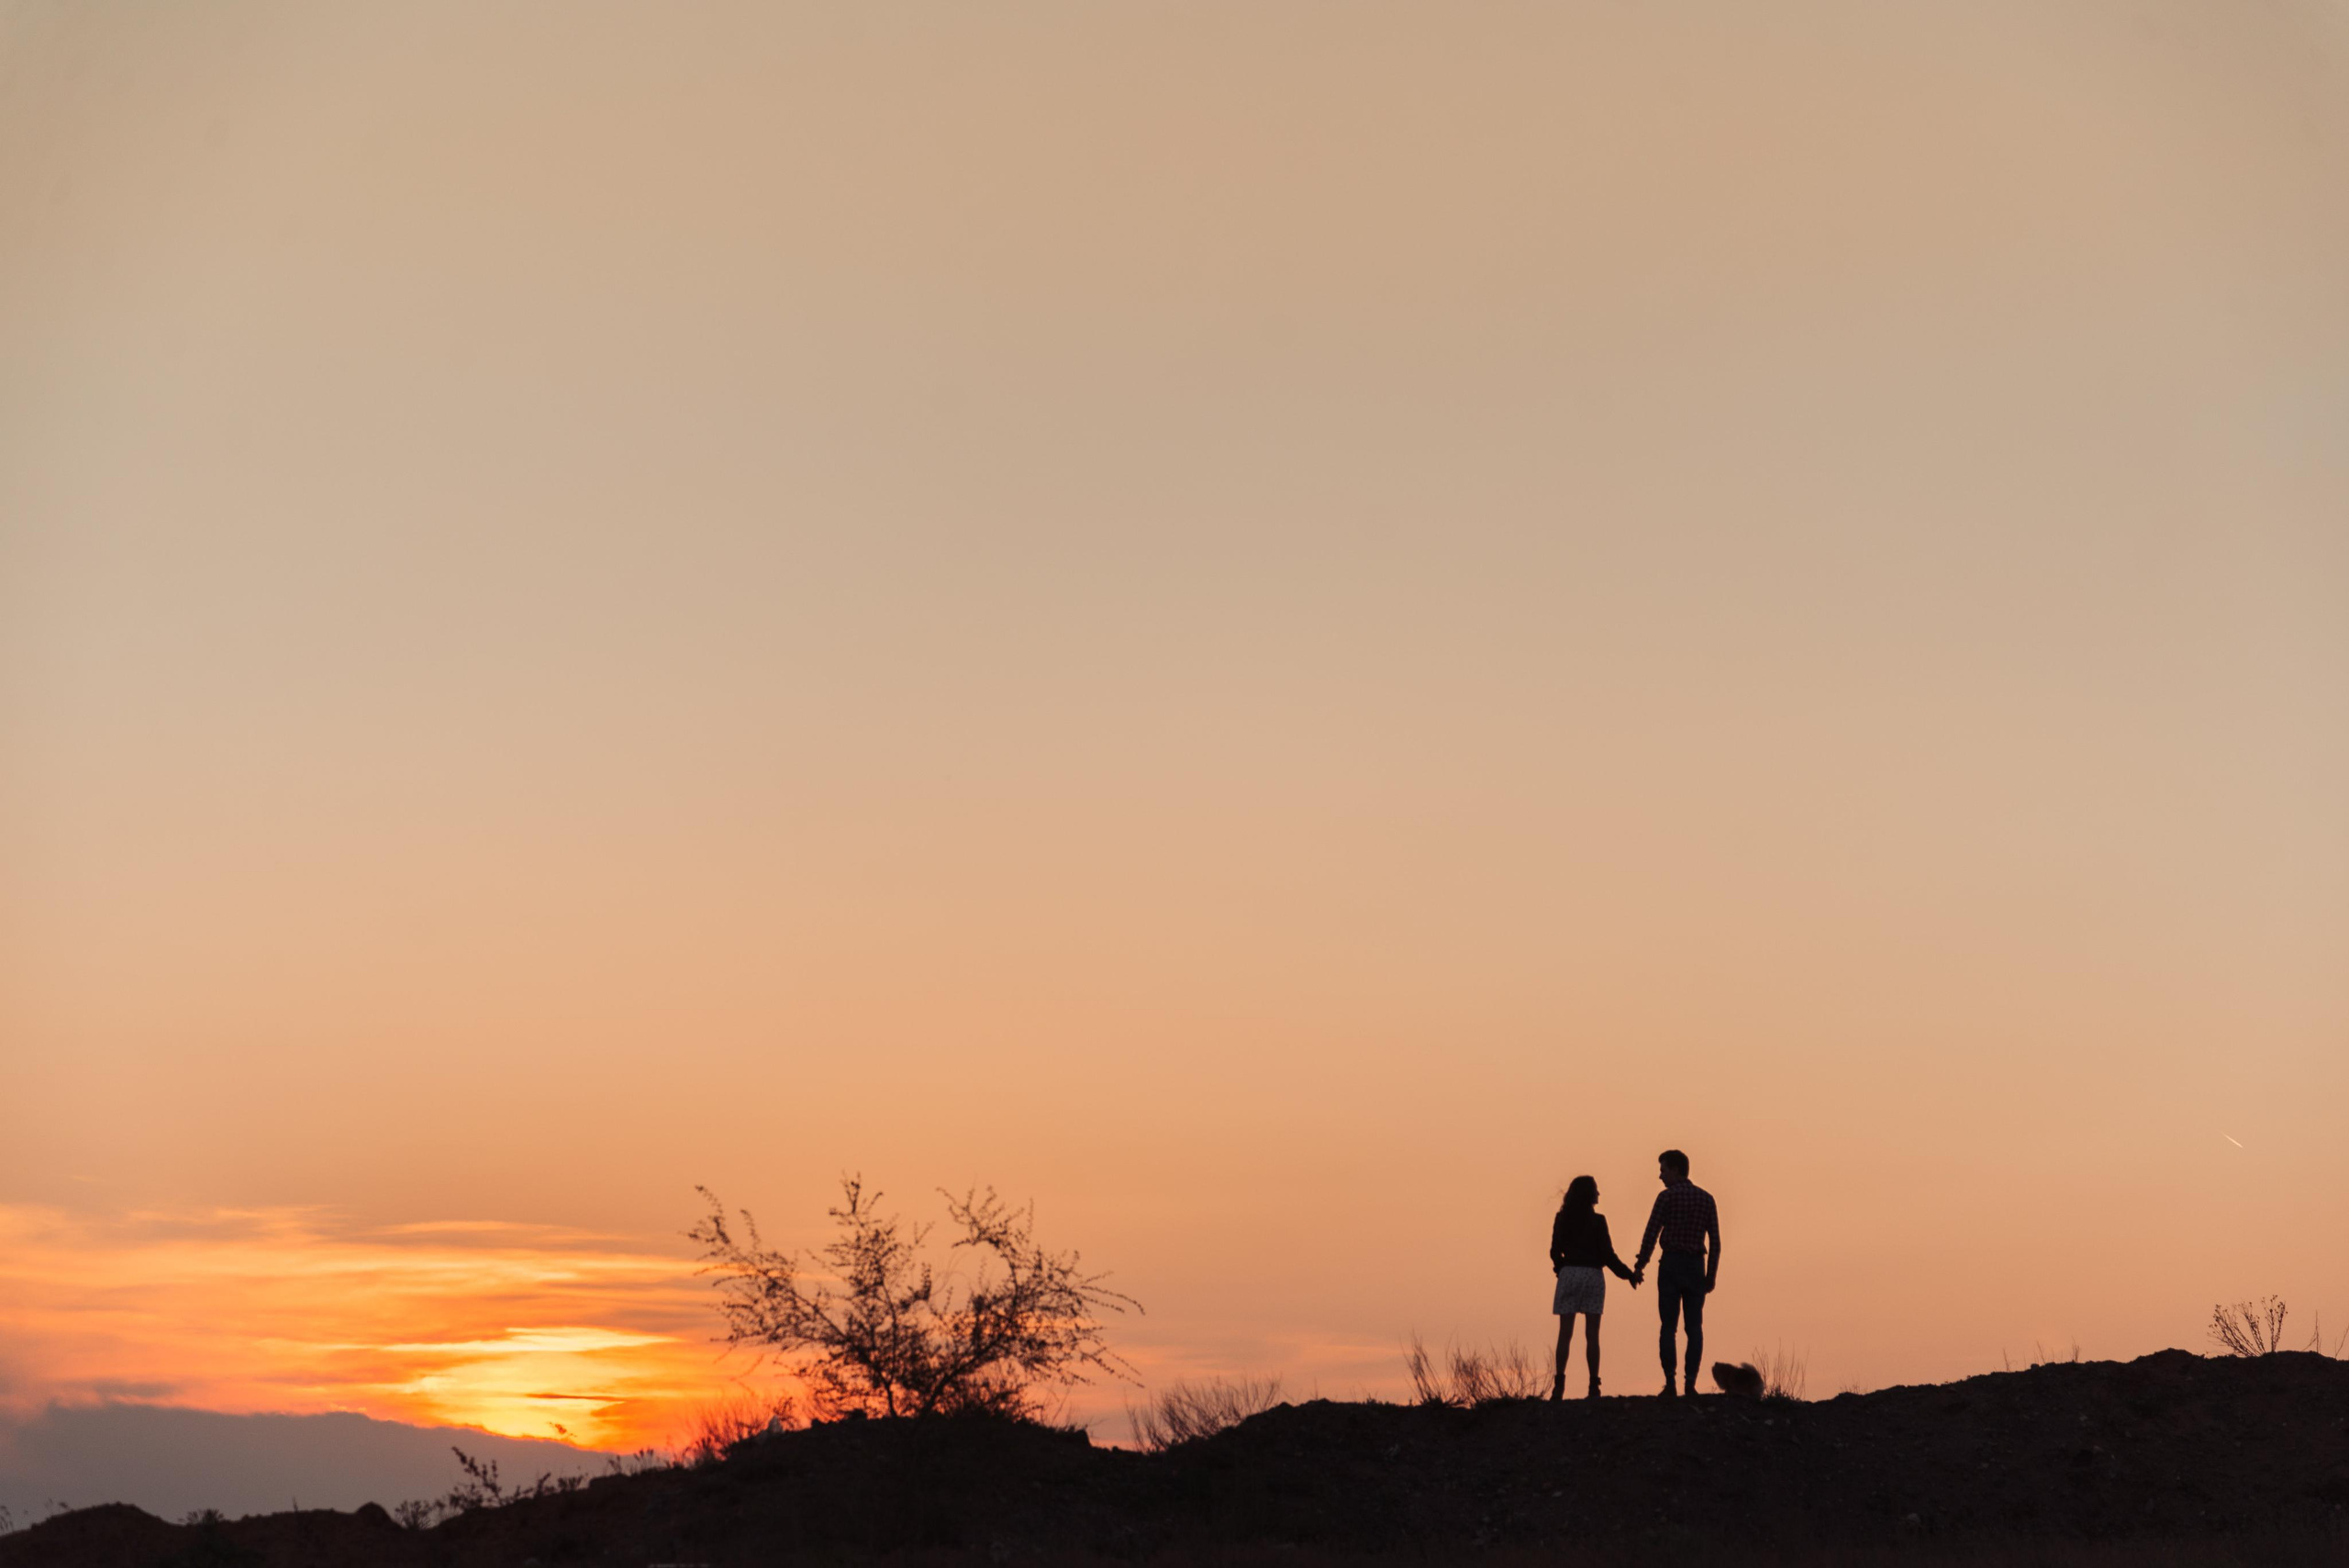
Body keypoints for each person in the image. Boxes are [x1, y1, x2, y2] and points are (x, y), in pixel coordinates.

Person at [1632, 1148, 1720, 1397]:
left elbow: (1651, 1233)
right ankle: (1690, 1383)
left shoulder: (1666, 1198)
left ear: (1675, 1169)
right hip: (1695, 1267)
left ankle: (1670, 1382)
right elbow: (1715, 1241)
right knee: (1694, 1327)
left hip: (1671, 1264)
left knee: (1667, 1327)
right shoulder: (1707, 1199)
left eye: (1663, 1170)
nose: (1660, 1176)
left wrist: (1640, 1265)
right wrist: (1711, 1275)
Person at [1547, 1174, 1639, 1400]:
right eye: (1596, 1190)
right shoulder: (1599, 1221)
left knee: (1564, 1334)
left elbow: (1554, 1250)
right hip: (1592, 1276)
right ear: (1589, 1195)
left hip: (1569, 1274)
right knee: (1592, 1335)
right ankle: (1593, 1385)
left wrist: (1561, 1269)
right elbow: (1608, 1255)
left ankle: (1559, 1383)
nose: (1599, 1194)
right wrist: (1628, 1274)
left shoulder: (1561, 1219)